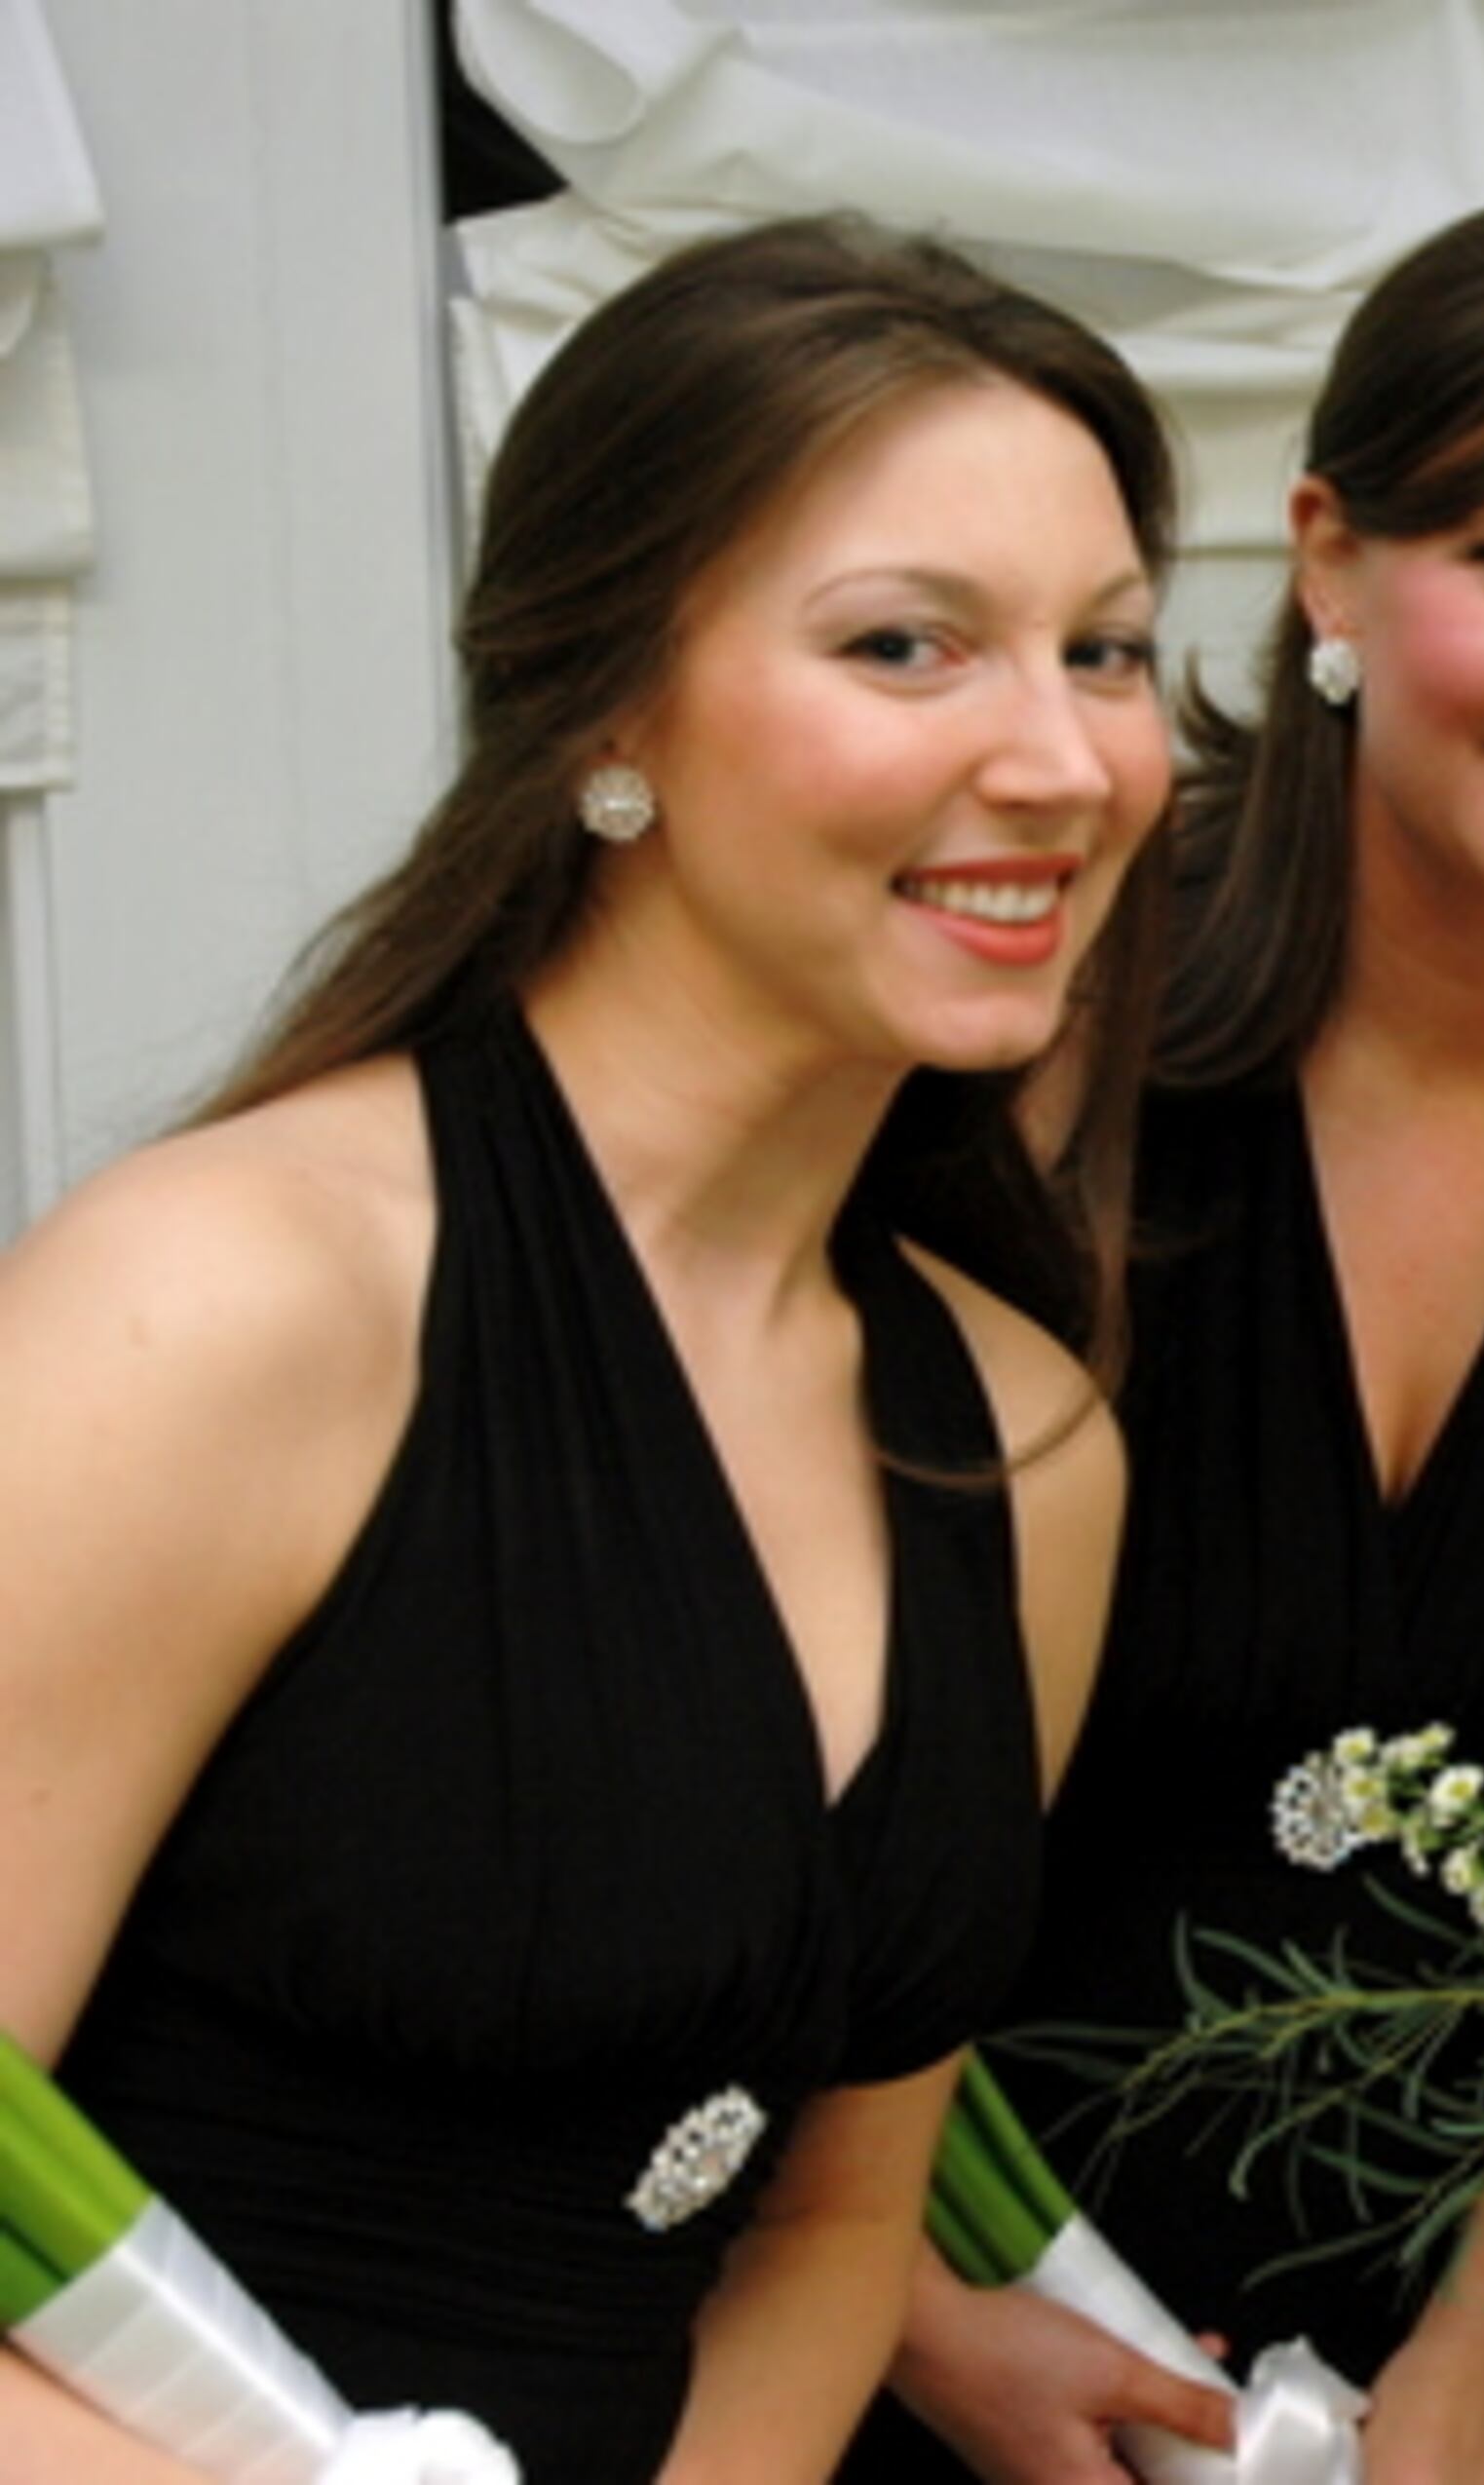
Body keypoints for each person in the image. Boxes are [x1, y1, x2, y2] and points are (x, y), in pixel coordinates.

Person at [0, 216, 1173, 2482]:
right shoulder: (231, 1308)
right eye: (909, 646)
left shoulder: (1026, 1452)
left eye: (1106, 652)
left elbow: (832, 2222)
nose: (1061, 759)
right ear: (610, 704)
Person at [850, 188, 1484, 2485]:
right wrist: (911, 2312)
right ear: (1326, 562)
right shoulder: (1032, 1017)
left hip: (1452, 2339)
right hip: (934, 2289)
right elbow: (725, 1737)